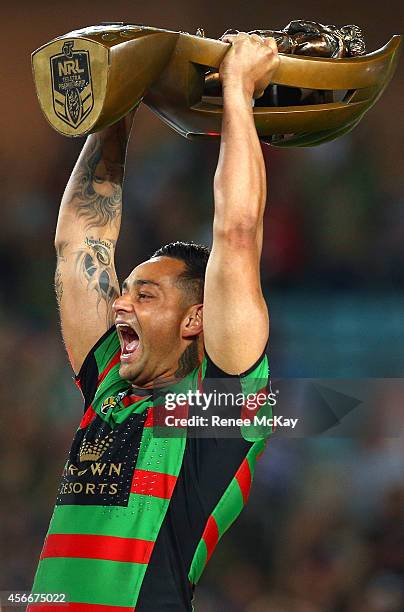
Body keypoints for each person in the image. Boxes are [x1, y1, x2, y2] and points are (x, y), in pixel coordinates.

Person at [30, 33, 279, 611]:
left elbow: (238, 236)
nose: (119, 305)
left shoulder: (222, 407)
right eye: (125, 292)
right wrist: (113, 104)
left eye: (145, 295)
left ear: (197, 318)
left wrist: (238, 91)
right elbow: (81, 241)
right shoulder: (111, 387)